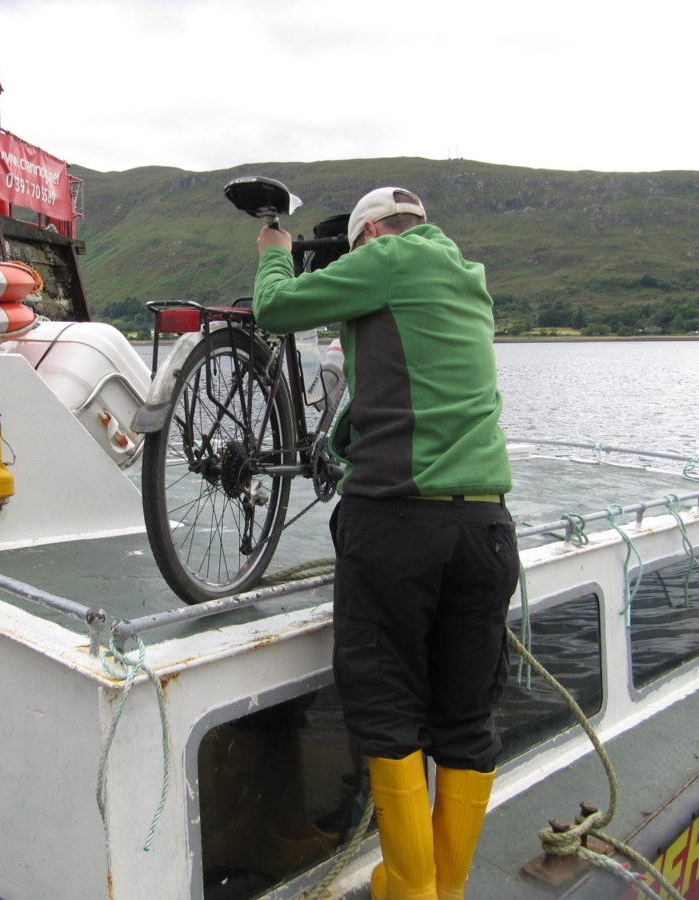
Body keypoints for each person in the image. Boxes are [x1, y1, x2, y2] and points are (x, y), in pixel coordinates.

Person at [251, 187, 518, 900]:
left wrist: (276, 257)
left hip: (400, 524)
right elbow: (413, 389)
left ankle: (408, 887)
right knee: (465, 715)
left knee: (385, 704)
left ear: (367, 233)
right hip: (487, 529)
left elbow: (276, 308)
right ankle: (444, 886)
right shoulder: (468, 276)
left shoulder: (388, 259)